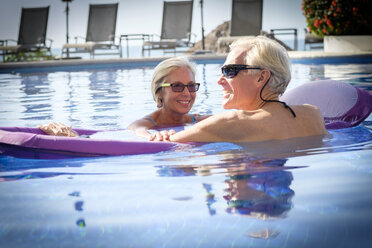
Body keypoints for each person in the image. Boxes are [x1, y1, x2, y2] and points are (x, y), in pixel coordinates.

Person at [151, 36, 327, 143]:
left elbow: (163, 146)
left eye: (229, 71)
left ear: (261, 77)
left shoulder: (231, 123)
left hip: (248, 194)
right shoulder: (313, 115)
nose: (220, 81)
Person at [38, 56, 208, 139]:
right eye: (177, 86)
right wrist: (153, 136)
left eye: (191, 86)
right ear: (159, 92)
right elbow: (138, 132)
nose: (187, 93)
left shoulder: (197, 120)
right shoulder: (144, 124)